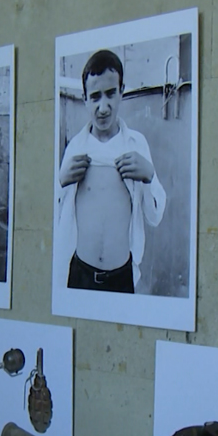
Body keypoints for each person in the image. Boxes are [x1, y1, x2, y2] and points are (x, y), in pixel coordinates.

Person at [56, 49, 166, 293]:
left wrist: (149, 176)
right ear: (84, 99)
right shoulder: (76, 147)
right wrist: (60, 181)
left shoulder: (136, 145)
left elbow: (155, 217)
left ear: (121, 91)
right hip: (80, 276)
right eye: (95, 97)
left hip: (121, 277)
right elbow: (55, 214)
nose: (103, 107)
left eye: (110, 94)